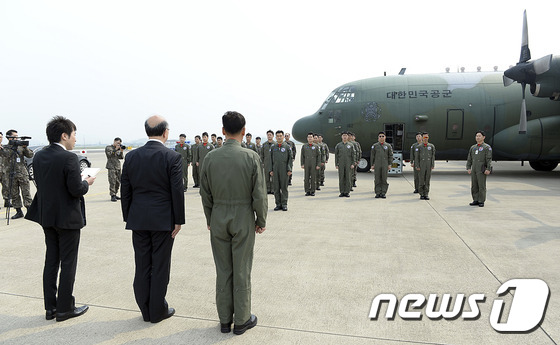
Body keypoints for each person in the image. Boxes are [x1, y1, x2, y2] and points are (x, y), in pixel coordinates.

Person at [200, 111, 267, 335]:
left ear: (222, 131)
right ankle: (241, 319)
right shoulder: (250, 157)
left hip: (218, 215)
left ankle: (224, 320)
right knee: (241, 269)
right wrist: (261, 219)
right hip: (242, 216)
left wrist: (210, 218)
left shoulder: (210, 157)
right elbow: (259, 194)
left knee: (223, 269)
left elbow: (205, 193)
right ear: (244, 131)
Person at [25, 116, 95, 322]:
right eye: (74, 135)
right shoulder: (69, 158)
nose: (75, 139)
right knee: (68, 262)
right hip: (67, 218)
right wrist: (87, 182)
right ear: (64, 135)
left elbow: (43, 183)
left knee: (51, 261)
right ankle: (65, 308)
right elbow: (76, 189)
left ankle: (51, 308)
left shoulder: (39, 156)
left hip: (47, 215)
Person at [120, 115, 185, 323]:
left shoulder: (131, 157)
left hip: (138, 218)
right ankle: (157, 311)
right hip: (163, 220)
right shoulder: (172, 157)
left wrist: (128, 216)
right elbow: (177, 191)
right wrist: (178, 220)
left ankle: (145, 310)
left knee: (142, 265)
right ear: (165, 132)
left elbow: (126, 190)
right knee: (160, 266)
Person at [0, 129, 34, 219]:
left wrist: (25, 147)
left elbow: (30, 155)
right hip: (11, 174)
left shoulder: (21, 147)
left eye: (17, 136)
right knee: (14, 194)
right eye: (14, 137)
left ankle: (30, 210)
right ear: (9, 138)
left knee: (26, 192)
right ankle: (18, 211)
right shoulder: (5, 148)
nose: (16, 138)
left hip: (22, 173)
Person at [466, 130, 492, 207]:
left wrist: (488, 168)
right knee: (474, 185)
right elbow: (469, 158)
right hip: (474, 168)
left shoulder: (487, 147)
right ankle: (475, 199)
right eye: (477, 136)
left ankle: (481, 200)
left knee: (481, 185)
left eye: (479, 136)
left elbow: (489, 159)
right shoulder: (473, 147)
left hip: (481, 168)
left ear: (483, 137)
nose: (477, 137)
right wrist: (468, 167)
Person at [269, 130, 292, 211]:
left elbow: (290, 158)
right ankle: (278, 204)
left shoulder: (287, 146)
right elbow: (270, 159)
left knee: (284, 187)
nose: (279, 137)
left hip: (284, 169)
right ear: (276, 137)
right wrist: (270, 170)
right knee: (276, 188)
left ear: (283, 137)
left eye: (280, 136)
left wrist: (289, 169)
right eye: (277, 136)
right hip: (275, 169)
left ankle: (284, 204)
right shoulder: (273, 147)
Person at [370, 131, 394, 198]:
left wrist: (389, 164)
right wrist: (372, 164)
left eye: (383, 136)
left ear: (385, 137)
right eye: (380, 136)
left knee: (384, 179)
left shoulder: (388, 146)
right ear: (378, 138)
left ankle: (383, 192)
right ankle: (377, 192)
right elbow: (372, 156)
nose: (381, 137)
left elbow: (390, 156)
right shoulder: (375, 146)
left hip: (385, 164)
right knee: (377, 179)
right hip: (377, 164)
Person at [414, 132, 436, 200]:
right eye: (424, 137)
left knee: (427, 180)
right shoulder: (419, 147)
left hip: (428, 165)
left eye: (426, 137)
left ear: (428, 138)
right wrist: (417, 166)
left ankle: (426, 194)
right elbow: (416, 158)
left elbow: (433, 156)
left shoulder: (431, 146)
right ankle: (421, 194)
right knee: (421, 180)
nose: (425, 139)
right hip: (421, 166)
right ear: (422, 138)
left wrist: (432, 165)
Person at [335, 132, 356, 197]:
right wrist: (336, 164)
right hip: (341, 163)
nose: (344, 137)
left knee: (348, 178)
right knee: (341, 178)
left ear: (347, 137)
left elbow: (353, 155)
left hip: (348, 163)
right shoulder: (338, 145)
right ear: (341, 137)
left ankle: (347, 192)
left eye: (346, 136)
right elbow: (336, 155)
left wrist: (353, 163)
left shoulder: (351, 145)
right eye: (343, 135)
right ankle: (342, 192)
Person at [105, 137, 124, 202]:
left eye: (119, 143)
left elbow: (121, 157)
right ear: (114, 141)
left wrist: (121, 151)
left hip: (118, 167)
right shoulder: (108, 148)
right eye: (117, 143)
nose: (118, 144)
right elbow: (109, 155)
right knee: (112, 181)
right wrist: (115, 149)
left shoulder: (118, 149)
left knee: (118, 182)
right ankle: (112, 195)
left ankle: (115, 194)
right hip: (111, 167)